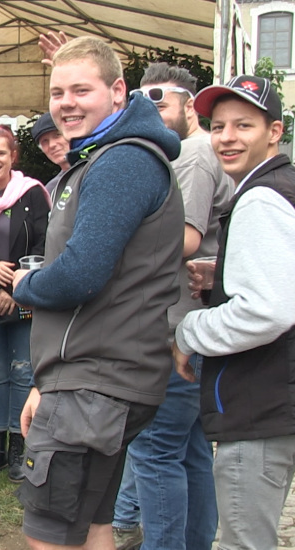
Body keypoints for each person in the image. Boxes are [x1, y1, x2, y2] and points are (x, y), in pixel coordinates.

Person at [11, 36, 184, 549]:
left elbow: (82, 274)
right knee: (92, 526)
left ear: (117, 92)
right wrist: (48, 382)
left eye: (81, 90)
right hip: (94, 382)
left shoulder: (122, 162)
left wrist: (26, 285)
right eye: (58, 91)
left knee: (50, 536)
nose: (66, 103)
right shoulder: (105, 157)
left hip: (94, 386)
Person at [111, 62, 230, 550]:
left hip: (172, 329)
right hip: (186, 326)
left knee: (156, 454)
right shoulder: (183, 154)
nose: (150, 108)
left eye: (159, 98)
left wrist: (110, 237)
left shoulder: (195, 157)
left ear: (188, 103)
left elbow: (185, 239)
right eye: (141, 100)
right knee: (190, 452)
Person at [174, 75, 295, 550]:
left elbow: (266, 311)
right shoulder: (281, 187)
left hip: (259, 404)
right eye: (218, 126)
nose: (227, 137)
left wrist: (189, 330)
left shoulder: (261, 196)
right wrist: (221, 275)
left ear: (275, 131)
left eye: (243, 125)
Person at [0, 126, 50, 483]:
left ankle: (20, 448)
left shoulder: (32, 194)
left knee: (23, 371)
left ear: (13, 156)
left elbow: (46, 242)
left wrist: (15, 281)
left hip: (23, 296)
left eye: (1, 153)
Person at [30, 112, 70, 196]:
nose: (52, 145)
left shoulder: (93, 170)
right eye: (45, 141)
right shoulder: (50, 190)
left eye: (57, 135)